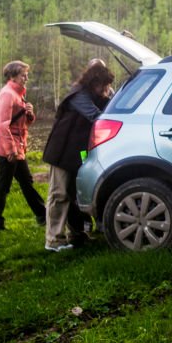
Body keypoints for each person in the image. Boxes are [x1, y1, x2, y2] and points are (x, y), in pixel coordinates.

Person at [42, 59, 114, 252]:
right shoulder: (78, 95)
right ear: (94, 82)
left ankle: (77, 233)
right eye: (103, 85)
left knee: (74, 193)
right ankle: (54, 240)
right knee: (59, 194)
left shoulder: (92, 93)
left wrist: (110, 96)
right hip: (62, 151)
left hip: (77, 151)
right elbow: (96, 116)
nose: (105, 89)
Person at [0, 60, 47, 232]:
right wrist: (11, 150)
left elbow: (21, 124)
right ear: (13, 76)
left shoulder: (18, 93)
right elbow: (1, 125)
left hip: (17, 148)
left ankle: (42, 214)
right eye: (23, 75)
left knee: (27, 182)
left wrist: (30, 114)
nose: (26, 78)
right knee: (3, 186)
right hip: (9, 150)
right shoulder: (8, 94)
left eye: (27, 74)